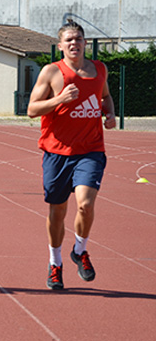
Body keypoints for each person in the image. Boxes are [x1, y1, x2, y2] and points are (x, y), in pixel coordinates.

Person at [27, 20, 116, 290]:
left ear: (85, 42)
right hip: (57, 152)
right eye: (69, 40)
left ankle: (80, 250)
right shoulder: (52, 72)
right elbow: (32, 109)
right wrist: (59, 100)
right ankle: (55, 263)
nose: (74, 43)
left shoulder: (100, 69)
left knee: (85, 204)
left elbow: (106, 97)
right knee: (57, 210)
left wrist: (109, 113)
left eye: (78, 39)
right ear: (60, 46)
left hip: (90, 150)